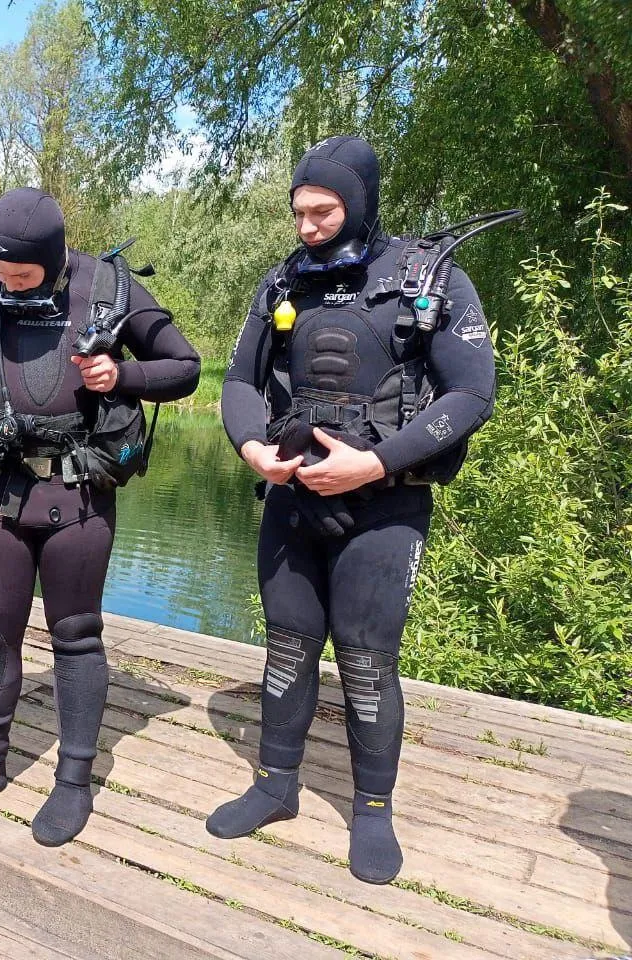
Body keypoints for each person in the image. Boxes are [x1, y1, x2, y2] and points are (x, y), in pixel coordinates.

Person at [209, 135, 496, 884]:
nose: (307, 226)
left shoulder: (430, 279)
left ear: (360, 201)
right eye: (299, 212)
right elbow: (239, 382)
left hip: (385, 503)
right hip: (293, 493)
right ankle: (275, 784)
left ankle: (373, 808)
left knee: (366, 663)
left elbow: (472, 395)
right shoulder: (282, 284)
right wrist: (251, 448)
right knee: (288, 646)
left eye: (324, 211)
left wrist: (373, 462)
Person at [0, 187, 200, 846]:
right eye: (1, 273)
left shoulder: (106, 289)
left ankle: (72, 780)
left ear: (56, 257)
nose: (8, 286)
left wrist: (119, 379)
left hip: (79, 496)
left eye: (23, 276)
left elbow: (185, 367)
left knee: (75, 634)